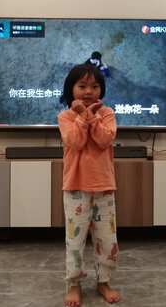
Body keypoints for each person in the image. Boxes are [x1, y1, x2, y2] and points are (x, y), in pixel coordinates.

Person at [58, 64, 121, 306]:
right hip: (75, 189)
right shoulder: (66, 117)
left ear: (101, 90)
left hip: (104, 187)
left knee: (107, 240)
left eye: (95, 86)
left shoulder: (107, 113)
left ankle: (104, 281)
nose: (88, 91)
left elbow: (104, 139)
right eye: (82, 86)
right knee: (75, 242)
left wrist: (92, 116)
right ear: (71, 89)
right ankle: (74, 284)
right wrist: (82, 116)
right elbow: (75, 141)